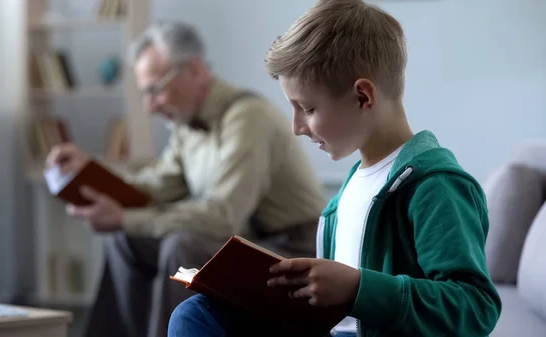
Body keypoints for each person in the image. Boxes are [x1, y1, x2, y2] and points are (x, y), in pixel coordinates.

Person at [167, 1, 502, 336]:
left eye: (308, 108)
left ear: (363, 97)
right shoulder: (352, 189)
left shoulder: (435, 186)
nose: (296, 126)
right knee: (197, 314)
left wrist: (358, 288)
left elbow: (475, 308)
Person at [45, 20, 327, 337]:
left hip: (288, 253)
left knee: (182, 245)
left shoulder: (248, 118)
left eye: (155, 90)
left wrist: (125, 217)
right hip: (245, 242)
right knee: (125, 240)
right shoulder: (187, 126)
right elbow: (155, 186)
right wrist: (90, 172)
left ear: (193, 70)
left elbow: (223, 217)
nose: (150, 106)